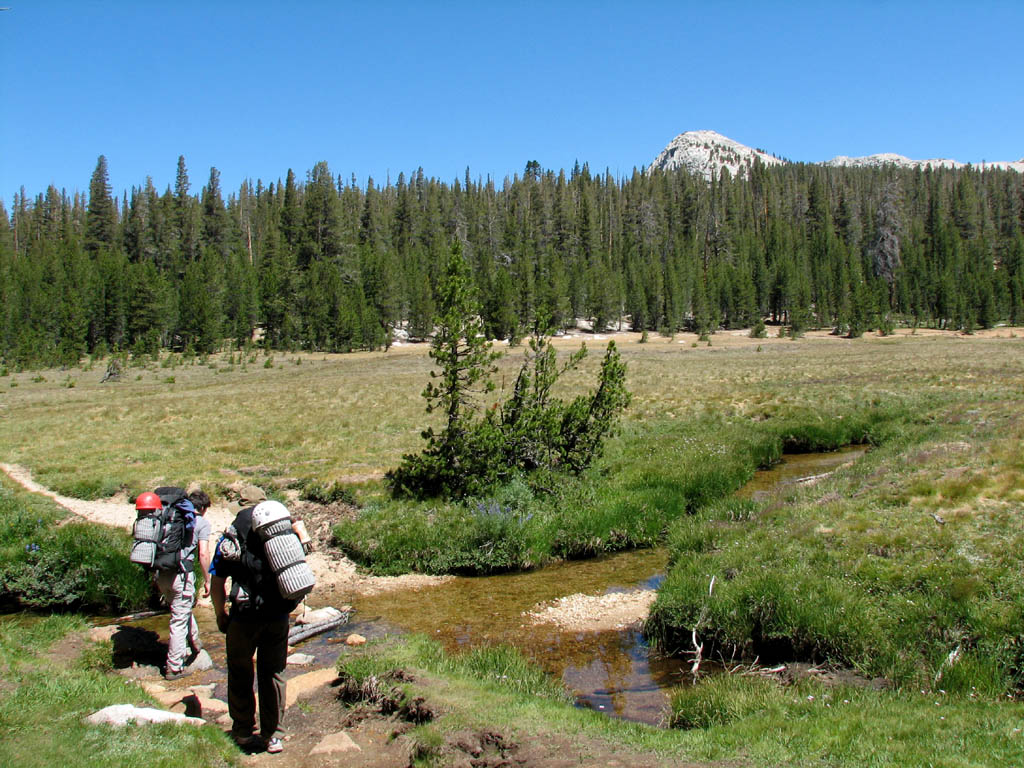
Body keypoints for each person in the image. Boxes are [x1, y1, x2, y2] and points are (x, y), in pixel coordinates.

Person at [209, 494, 295, 755]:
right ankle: (274, 735)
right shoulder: (281, 533)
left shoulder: (232, 537)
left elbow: (216, 583)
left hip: (243, 616)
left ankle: (244, 731)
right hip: (278, 615)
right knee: (274, 673)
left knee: (239, 671)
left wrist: (220, 613)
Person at [148, 489, 212, 680]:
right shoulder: (202, 523)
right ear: (203, 508)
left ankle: (194, 642)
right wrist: (208, 580)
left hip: (162, 575)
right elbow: (203, 554)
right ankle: (174, 667)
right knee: (178, 619)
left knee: (180, 610)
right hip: (181, 575)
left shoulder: (168, 518)